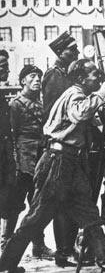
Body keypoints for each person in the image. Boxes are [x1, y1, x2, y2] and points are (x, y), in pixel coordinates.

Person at [0, 59, 105, 273]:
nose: (99, 78)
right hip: (58, 162)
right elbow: (79, 113)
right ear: (81, 78)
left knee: (89, 213)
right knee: (37, 217)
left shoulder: (77, 93)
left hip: (69, 162)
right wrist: (103, 93)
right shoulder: (76, 95)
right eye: (95, 74)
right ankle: (5, 265)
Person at [42, 31, 81, 268]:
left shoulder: (66, 73)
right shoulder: (54, 75)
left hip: (72, 145)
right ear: (60, 53)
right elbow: (54, 111)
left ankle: (68, 248)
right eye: (71, 51)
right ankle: (63, 251)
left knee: (72, 199)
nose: (75, 54)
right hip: (62, 146)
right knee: (62, 201)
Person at [6, 66, 54, 259]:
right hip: (23, 159)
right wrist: (15, 164)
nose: (37, 80)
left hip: (39, 158)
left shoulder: (41, 103)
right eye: (32, 76)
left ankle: (39, 245)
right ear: (23, 80)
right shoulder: (16, 105)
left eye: (39, 77)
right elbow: (12, 135)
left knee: (37, 204)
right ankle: (6, 243)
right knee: (15, 203)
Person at [0, 50, 18, 252]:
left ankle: (5, 249)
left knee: (8, 201)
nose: (7, 70)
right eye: (3, 66)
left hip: (5, 158)